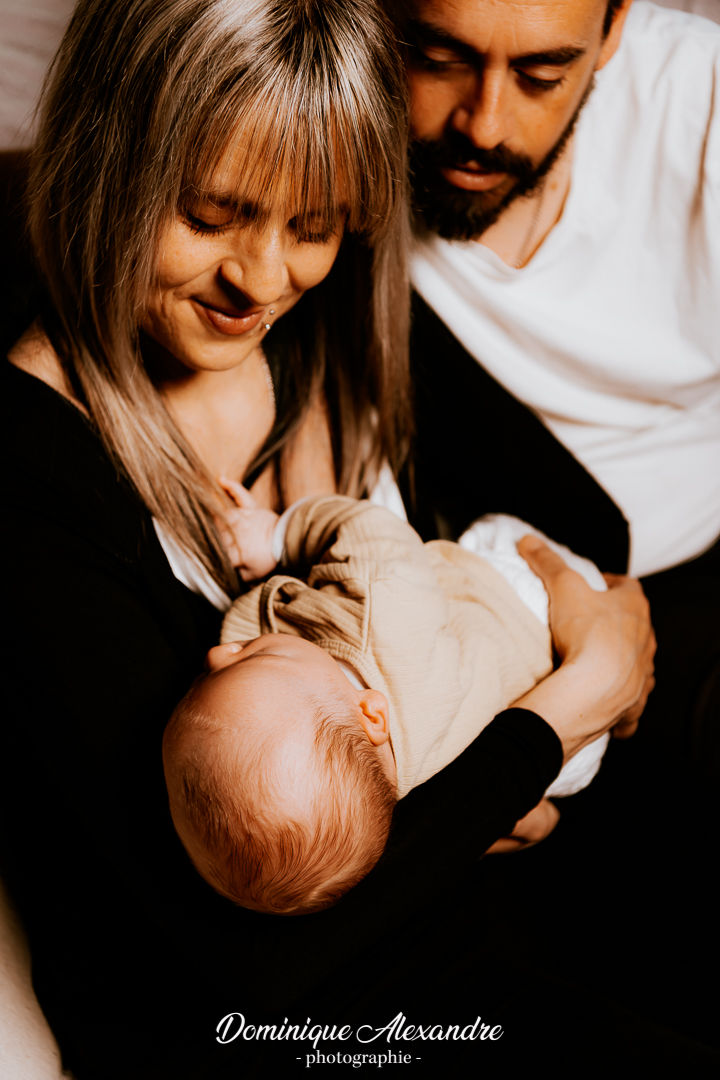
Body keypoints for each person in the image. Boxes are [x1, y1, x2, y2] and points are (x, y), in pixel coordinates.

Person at [1, 0, 661, 1076]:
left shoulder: (329, 331)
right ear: (104, 163)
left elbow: (585, 526)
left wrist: (503, 733)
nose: (262, 281)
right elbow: (246, 956)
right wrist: (561, 708)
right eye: (211, 215)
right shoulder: (28, 468)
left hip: (445, 949)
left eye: (313, 227)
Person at [386, 0, 720, 1053]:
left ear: (616, 30)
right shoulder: (326, 122)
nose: (485, 123)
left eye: (541, 75)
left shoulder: (698, 102)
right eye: (440, 59)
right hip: (496, 585)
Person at [164, 492, 611, 916]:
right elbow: (375, 529)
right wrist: (275, 535)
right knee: (486, 537)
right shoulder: (383, 606)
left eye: (206, 680)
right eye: (255, 657)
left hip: (570, 760)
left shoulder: (368, 797)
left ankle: (546, 811)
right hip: (529, 608)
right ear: (372, 713)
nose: (217, 654)